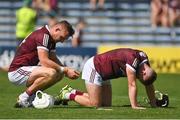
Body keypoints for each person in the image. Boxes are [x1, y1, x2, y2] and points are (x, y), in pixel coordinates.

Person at [8, 20, 80, 108]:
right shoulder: (43, 35)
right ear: (57, 29)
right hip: (17, 71)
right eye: (62, 37)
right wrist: (66, 70)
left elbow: (53, 58)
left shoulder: (50, 39)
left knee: (59, 74)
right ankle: (23, 98)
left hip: (27, 68)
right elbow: (44, 60)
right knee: (51, 73)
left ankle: (31, 97)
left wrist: (65, 71)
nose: (62, 41)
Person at [56, 48, 157, 109]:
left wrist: (154, 104)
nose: (137, 77)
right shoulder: (133, 60)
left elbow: (148, 84)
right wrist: (134, 106)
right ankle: (67, 95)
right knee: (94, 104)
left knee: (105, 104)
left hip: (105, 73)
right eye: (139, 77)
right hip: (95, 68)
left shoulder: (145, 64)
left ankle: (73, 91)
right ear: (144, 72)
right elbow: (132, 85)